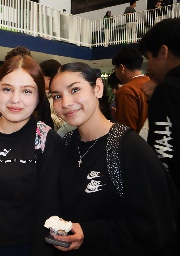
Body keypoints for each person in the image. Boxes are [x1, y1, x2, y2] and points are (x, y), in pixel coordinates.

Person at [49, 62, 178, 255]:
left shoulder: (129, 148)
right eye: (57, 96)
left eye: (75, 89)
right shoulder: (64, 145)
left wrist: (90, 234)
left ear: (98, 88)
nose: (66, 103)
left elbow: (155, 228)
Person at [0, 47, 63, 255]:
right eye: (7, 89)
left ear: (38, 97)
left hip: (23, 247)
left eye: (27, 91)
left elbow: (49, 210)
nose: (15, 99)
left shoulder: (46, 141)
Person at [139, 18, 180, 248]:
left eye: (149, 58)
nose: (149, 68)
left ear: (163, 51)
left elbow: (165, 154)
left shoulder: (168, 90)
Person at [112, 47, 149, 133]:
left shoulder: (126, 91)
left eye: (115, 69)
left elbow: (126, 131)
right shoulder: (152, 83)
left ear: (122, 68)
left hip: (137, 144)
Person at [40, 59, 65, 131]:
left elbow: (62, 124)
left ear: (49, 78)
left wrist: (46, 113)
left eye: (41, 77)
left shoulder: (62, 97)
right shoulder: (44, 95)